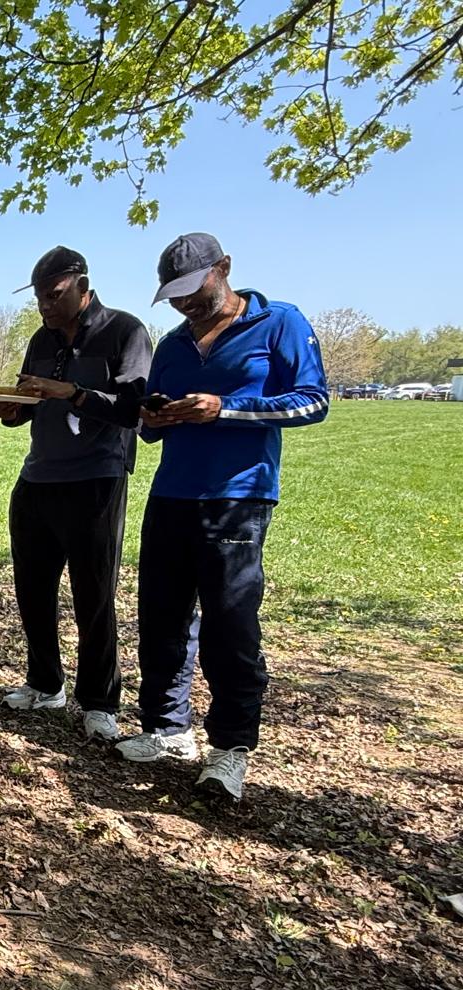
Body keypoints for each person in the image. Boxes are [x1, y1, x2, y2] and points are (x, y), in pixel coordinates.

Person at [116, 233, 328, 801]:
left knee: (230, 622)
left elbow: (313, 401)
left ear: (224, 269)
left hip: (239, 495)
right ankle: (166, 727)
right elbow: (150, 417)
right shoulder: (172, 345)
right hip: (173, 494)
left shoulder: (278, 322)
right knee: (161, 616)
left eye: (192, 289)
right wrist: (152, 421)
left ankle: (229, 748)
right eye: (174, 295)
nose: (184, 303)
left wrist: (227, 408)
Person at [0, 246, 154, 742]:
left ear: (83, 287)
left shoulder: (125, 331)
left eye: (54, 296)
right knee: (33, 590)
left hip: (96, 480)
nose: (45, 306)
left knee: (93, 594)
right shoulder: (41, 339)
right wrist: (15, 410)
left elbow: (135, 408)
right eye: (39, 298)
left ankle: (100, 700)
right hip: (39, 478)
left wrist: (74, 393)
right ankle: (44, 682)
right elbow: (33, 404)